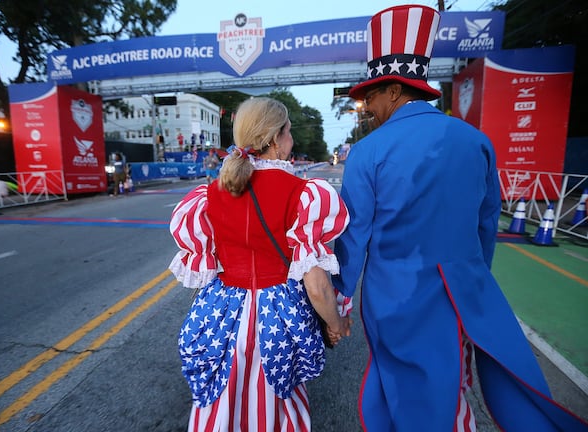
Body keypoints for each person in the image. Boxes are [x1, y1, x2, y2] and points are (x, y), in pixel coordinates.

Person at [331, 5, 588, 432]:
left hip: (396, 297)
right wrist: (472, 277)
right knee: (452, 380)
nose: (369, 106)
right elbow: (487, 223)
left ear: (393, 91)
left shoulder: (367, 152)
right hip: (464, 290)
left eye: (371, 95)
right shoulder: (476, 141)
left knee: (408, 394)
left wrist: (337, 301)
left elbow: (352, 240)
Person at [169, 97, 352, 431]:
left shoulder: (210, 194)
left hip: (221, 313)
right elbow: (316, 284)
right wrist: (335, 323)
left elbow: (204, 265)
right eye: (289, 132)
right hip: (278, 316)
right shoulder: (304, 194)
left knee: (221, 399)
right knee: (276, 402)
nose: (292, 140)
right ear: (274, 140)